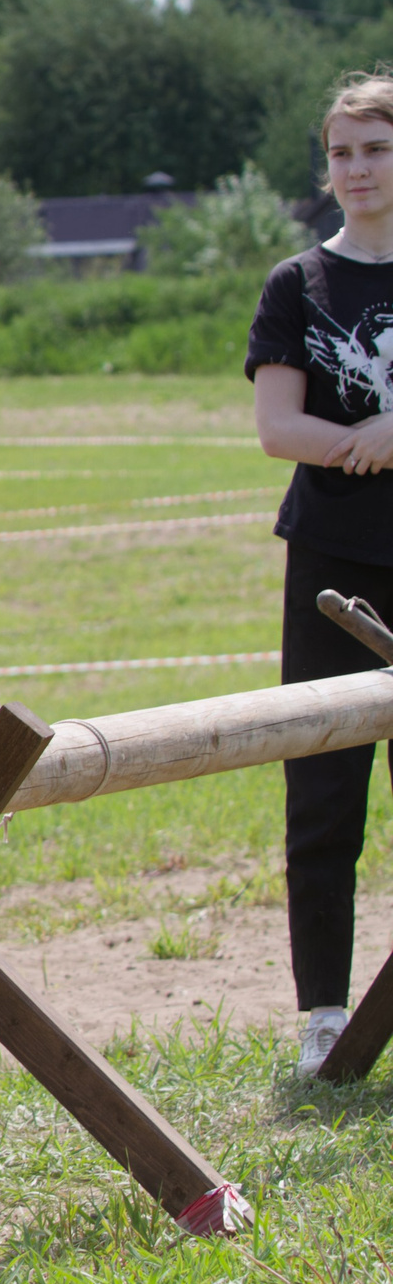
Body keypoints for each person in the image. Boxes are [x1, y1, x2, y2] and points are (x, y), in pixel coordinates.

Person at [249, 68, 393, 1079]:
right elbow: (275, 429)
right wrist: (366, 443)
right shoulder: (297, 285)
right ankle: (324, 1019)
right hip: (332, 565)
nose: (356, 169)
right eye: (341, 152)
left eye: (375, 149)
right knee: (324, 792)